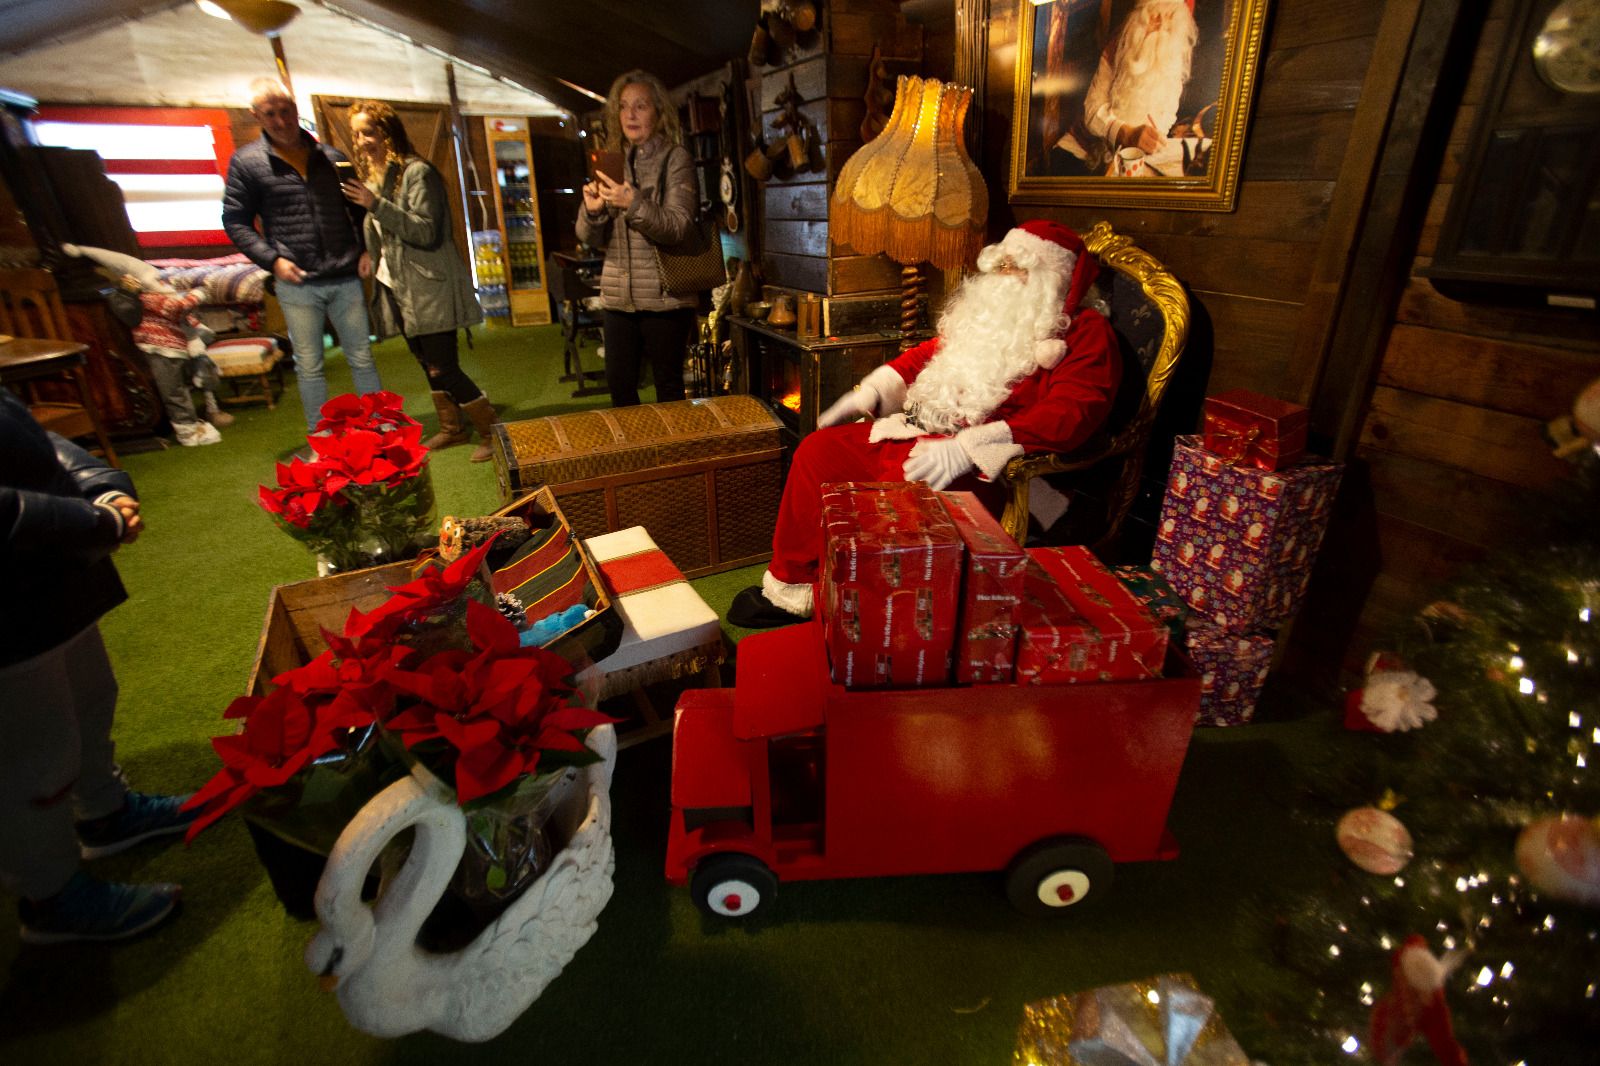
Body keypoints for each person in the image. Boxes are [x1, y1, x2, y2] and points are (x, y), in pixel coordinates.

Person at [727, 220, 1121, 629]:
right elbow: (925, 356)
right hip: (921, 433)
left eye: (1017, 267)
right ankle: (794, 587)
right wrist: (872, 391)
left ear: (1052, 279)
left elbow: (1073, 413)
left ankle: (882, 613)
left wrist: (971, 446)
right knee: (818, 452)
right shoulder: (985, 322)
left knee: (905, 481)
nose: (1004, 277)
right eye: (1000, 265)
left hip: (998, 468)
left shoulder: (1086, 333)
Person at [1, 388, 196, 943]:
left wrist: (99, 486)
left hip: (51, 575)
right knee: (31, 757)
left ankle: (106, 811)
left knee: (89, 698)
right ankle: (50, 894)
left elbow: (28, 436)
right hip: (11, 603)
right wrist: (94, 521)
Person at [222, 78, 383, 433]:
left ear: (295, 110)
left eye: (285, 111)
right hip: (296, 282)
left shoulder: (331, 158)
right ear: (256, 116)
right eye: (270, 114)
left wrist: (366, 248)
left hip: (344, 275)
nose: (280, 120)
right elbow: (235, 221)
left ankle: (380, 429)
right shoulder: (247, 163)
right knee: (309, 364)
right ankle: (321, 437)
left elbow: (357, 208)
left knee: (362, 356)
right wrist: (272, 260)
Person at [340, 100, 494, 461]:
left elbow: (425, 231)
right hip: (398, 287)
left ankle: (492, 431)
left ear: (388, 132)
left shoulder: (416, 173)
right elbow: (382, 232)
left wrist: (375, 204)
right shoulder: (378, 178)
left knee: (444, 365)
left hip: (429, 285)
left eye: (370, 132)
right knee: (427, 364)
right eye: (357, 133)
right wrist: (370, 254)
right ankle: (452, 428)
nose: (362, 141)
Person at [576, 69, 699, 408]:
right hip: (618, 297)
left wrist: (634, 203)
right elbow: (591, 238)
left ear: (658, 112)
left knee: (669, 391)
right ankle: (638, 461)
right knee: (620, 390)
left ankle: (674, 458)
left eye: (641, 106)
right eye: (624, 106)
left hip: (666, 298)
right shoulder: (610, 160)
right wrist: (593, 211)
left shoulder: (676, 159)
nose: (630, 114)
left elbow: (678, 226)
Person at [1053, 0, 1201, 177]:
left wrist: (1153, 138)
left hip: (1134, 161)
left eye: (1170, 20)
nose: (1161, 26)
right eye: (1155, 16)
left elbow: (1167, 113)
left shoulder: (1173, 58)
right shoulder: (1119, 46)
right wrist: (1126, 133)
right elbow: (1092, 111)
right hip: (1084, 152)